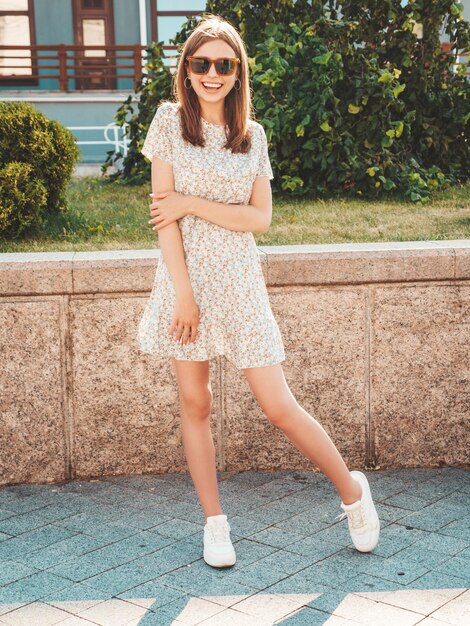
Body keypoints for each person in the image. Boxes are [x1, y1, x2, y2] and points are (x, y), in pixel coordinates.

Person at [138, 14, 380, 569]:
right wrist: (184, 296)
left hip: (241, 283)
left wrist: (193, 203)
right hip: (186, 284)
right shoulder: (169, 123)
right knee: (195, 402)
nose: (213, 73)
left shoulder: (254, 135)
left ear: (238, 71)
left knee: (278, 405)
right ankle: (215, 523)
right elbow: (163, 220)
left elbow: (260, 218)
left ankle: (353, 494)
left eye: (225, 64)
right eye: (202, 64)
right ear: (188, 70)